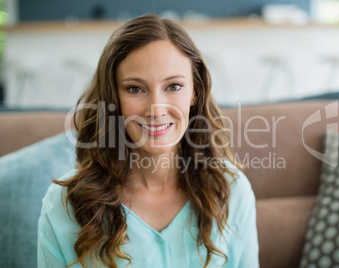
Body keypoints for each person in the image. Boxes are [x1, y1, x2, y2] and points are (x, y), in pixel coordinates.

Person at [38, 14, 259, 268]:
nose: (156, 109)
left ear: (195, 92)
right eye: (135, 89)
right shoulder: (64, 205)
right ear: (113, 97)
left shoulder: (232, 191)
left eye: (173, 86)